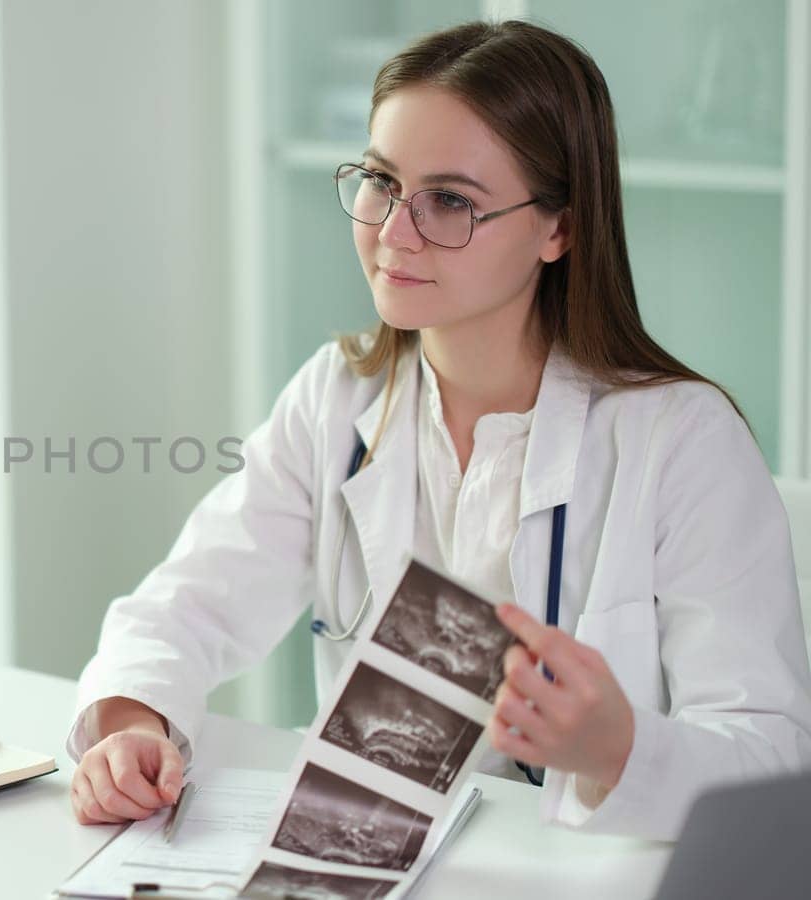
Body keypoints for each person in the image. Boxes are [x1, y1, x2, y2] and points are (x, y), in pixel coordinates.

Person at [66, 19, 811, 842]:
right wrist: (132, 725)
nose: (393, 232)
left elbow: (773, 758)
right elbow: (185, 606)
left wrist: (617, 747)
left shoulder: (680, 440)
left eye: (450, 200)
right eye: (382, 180)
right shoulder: (339, 399)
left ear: (559, 228)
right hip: (373, 864)